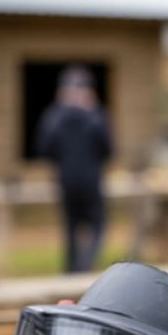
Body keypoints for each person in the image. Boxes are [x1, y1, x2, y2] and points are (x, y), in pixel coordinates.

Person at [36, 64, 112, 273]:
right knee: (97, 225)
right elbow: (107, 148)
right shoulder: (95, 116)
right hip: (91, 180)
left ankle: (72, 269)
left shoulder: (54, 116)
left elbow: (44, 148)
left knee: (71, 227)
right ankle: (85, 264)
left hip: (66, 180)